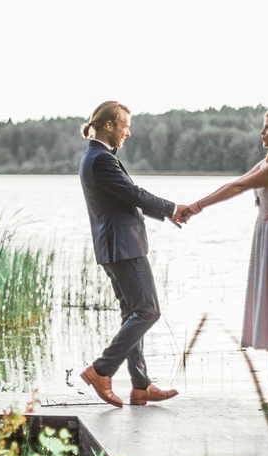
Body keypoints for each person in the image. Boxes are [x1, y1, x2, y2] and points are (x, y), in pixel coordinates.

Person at [179, 107, 268, 410]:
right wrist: (197, 204)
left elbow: (240, 187)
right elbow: (236, 182)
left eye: (267, 127)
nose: (261, 132)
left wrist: (197, 206)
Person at [77, 100, 188, 408]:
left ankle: (141, 386)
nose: (128, 132)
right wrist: (172, 208)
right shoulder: (100, 159)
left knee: (133, 314)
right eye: (125, 125)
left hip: (115, 247)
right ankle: (102, 370)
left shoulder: (96, 157)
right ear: (109, 125)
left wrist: (166, 214)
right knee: (148, 310)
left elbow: (124, 198)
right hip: (123, 247)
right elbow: (132, 193)